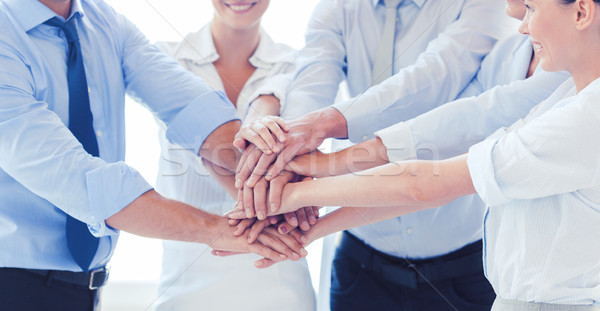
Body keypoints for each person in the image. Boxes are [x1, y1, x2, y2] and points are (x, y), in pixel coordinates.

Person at [231, 0, 600, 309]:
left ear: (581, 12)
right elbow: (468, 128)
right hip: (365, 254)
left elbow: (432, 173)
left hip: (471, 268)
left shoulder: (577, 106)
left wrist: (292, 190)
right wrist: (293, 168)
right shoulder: (557, 88)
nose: (522, 26)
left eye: (535, 9)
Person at [0, 0, 304, 310]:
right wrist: (218, 229)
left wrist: (272, 184)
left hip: (84, 289)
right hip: (10, 284)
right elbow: (75, 176)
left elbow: (193, 109)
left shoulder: (104, 22)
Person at [152, 1, 315, 310]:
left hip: (280, 283)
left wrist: (268, 103)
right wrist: (266, 196)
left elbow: (295, 171)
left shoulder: (298, 67)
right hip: (186, 283)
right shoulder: (165, 58)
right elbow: (208, 144)